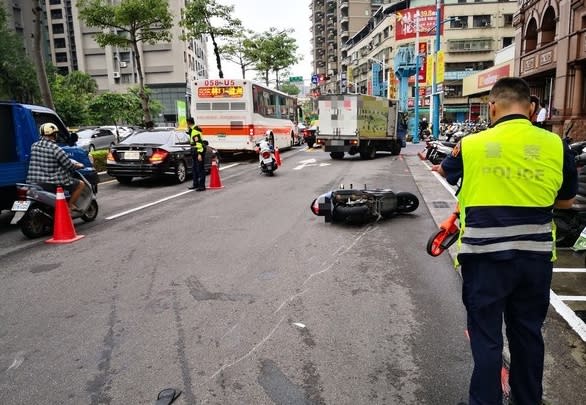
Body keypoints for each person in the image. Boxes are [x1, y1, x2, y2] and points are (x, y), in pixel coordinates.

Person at [432, 77, 577, 405]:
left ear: (493, 106)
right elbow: (566, 202)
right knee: (527, 334)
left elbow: (445, 171)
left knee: (486, 338)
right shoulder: (556, 145)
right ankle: (527, 400)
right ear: (531, 108)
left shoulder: (472, 145)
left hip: (484, 259)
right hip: (534, 259)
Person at [27, 123, 85, 211]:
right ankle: (70, 205)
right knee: (80, 184)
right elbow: (69, 165)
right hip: (51, 182)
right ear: (54, 134)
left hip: (33, 181)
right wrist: (80, 165)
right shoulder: (56, 149)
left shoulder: (33, 146)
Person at [186, 117, 206, 191]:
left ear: (188, 123)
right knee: (194, 169)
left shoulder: (195, 131)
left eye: (186, 123)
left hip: (198, 150)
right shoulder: (192, 130)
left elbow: (199, 143)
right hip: (194, 150)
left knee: (200, 169)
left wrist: (200, 153)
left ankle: (202, 186)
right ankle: (195, 184)